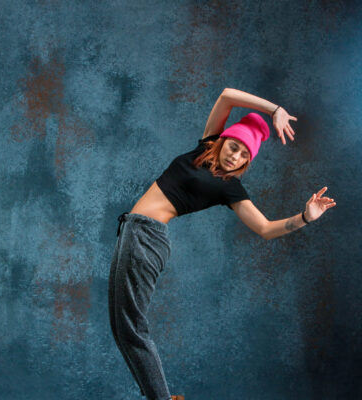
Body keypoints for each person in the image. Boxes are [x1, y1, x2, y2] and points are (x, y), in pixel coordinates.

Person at [108, 88, 336, 400]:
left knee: (130, 328)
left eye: (245, 154)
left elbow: (265, 228)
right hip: (133, 232)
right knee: (124, 330)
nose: (235, 156)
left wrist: (305, 217)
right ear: (222, 141)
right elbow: (227, 96)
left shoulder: (229, 188)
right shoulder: (202, 149)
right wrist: (275, 109)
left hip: (146, 237)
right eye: (234, 146)